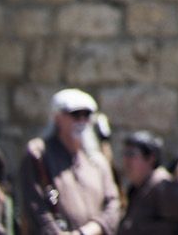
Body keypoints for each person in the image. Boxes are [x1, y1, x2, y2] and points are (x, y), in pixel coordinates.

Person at [20, 88, 122, 235]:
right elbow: (36, 207)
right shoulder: (39, 155)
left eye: (86, 115)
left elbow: (113, 204)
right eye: (75, 114)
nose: (82, 121)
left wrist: (90, 230)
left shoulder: (97, 161)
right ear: (57, 117)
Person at [117, 131, 178, 235]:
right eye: (124, 154)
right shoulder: (136, 189)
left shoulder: (162, 187)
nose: (126, 160)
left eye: (131, 154)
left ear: (150, 158)